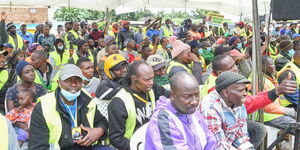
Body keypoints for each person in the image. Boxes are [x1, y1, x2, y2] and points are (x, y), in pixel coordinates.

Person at [29, 64, 109, 149]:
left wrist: (99, 130)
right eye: (68, 80)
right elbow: (37, 146)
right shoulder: (43, 106)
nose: (74, 84)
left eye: (78, 80)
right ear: (59, 82)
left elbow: (101, 121)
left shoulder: (86, 99)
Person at [145, 72, 216, 150]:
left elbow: (210, 140)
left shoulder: (192, 111)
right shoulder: (163, 120)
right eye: (187, 96)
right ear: (172, 95)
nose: (195, 101)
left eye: (197, 95)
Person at [108, 61, 169, 150]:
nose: (151, 83)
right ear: (134, 78)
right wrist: (140, 147)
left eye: (152, 78)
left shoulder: (151, 89)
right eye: (147, 80)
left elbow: (171, 96)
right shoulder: (119, 102)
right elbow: (116, 139)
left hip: (151, 141)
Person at [201, 71, 254, 149]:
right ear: (226, 92)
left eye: (245, 89)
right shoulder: (210, 108)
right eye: (240, 90)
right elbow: (217, 145)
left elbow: (240, 134)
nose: (245, 93)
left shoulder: (237, 101)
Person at [249, 56, 296, 130]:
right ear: (262, 66)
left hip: (274, 112)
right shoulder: (260, 81)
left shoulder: (268, 77)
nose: (274, 66)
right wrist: (286, 111)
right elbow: (266, 106)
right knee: (296, 126)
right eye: (271, 64)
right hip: (266, 115)